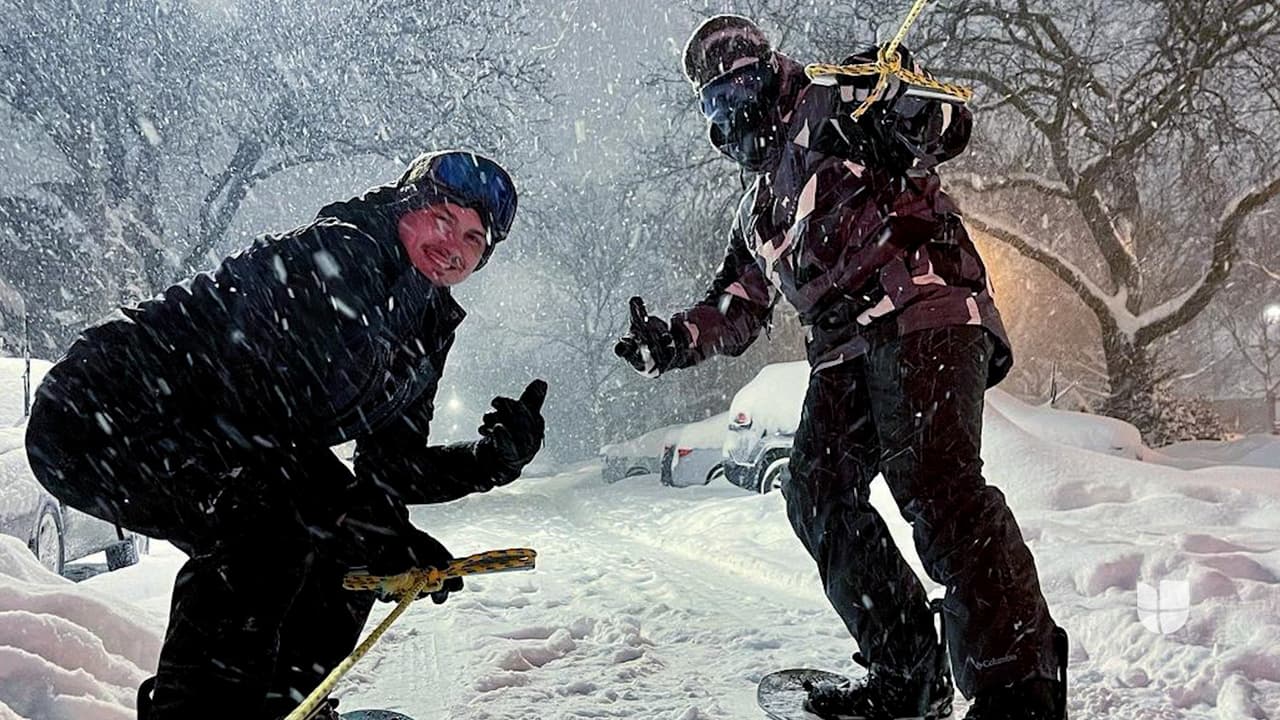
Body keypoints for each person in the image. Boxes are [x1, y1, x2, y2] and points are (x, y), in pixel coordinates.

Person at [614, 15, 1068, 720]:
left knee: (935, 481)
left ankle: (1019, 691)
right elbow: (737, 304)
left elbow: (949, 123)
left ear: (770, 69)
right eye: (718, 98)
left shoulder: (837, 99)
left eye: (745, 81)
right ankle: (907, 674)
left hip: (923, 307)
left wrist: (901, 109)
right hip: (841, 353)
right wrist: (674, 340)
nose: (736, 105)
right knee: (815, 490)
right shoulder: (757, 213)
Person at [24, 150, 548, 720]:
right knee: (262, 529)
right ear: (407, 205)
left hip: (222, 434)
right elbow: (257, 411)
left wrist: (488, 461)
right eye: (443, 219)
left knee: (341, 547)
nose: (453, 246)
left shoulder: (427, 324)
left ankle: (287, 706)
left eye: (473, 238)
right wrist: (374, 525)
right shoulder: (341, 255)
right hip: (105, 408)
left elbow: (389, 469)